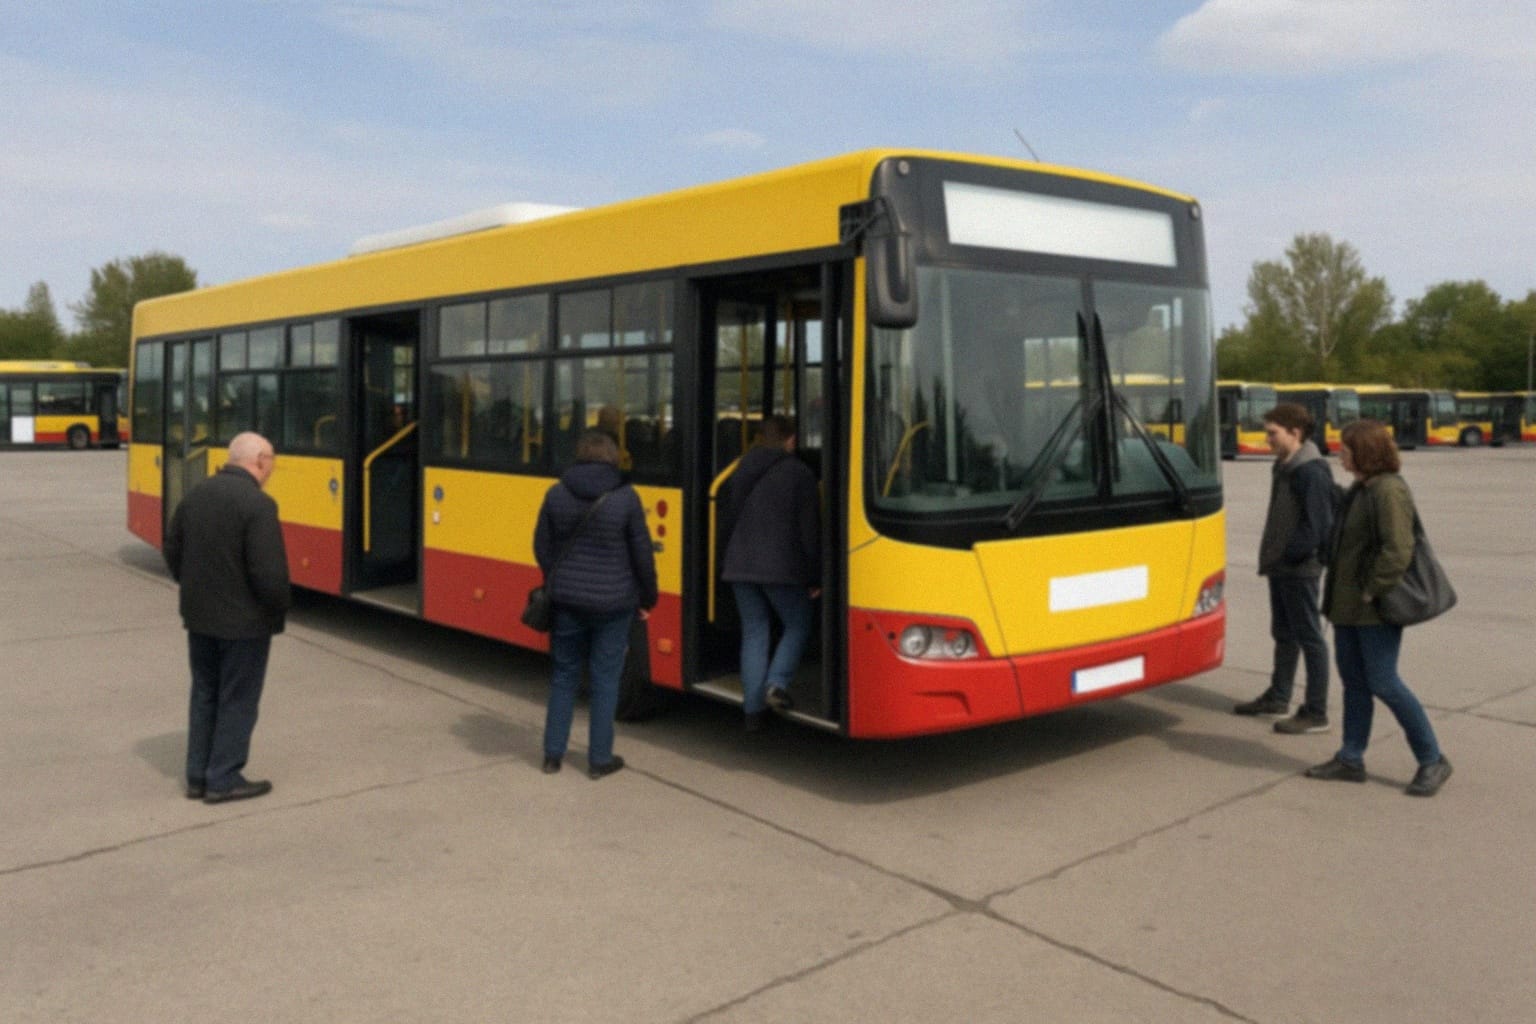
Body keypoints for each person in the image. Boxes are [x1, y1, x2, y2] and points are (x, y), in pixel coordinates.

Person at [1307, 419, 1453, 796]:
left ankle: (1432, 758)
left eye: (1345, 448)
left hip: (1373, 608)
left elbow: (1398, 550)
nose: (1339, 454)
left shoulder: (1388, 491)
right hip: (1347, 608)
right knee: (1355, 684)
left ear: (1365, 452)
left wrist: (1373, 590)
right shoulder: (1362, 488)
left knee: (1385, 683)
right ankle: (1350, 758)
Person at [164, 431, 291, 804]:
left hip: (200, 618)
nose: (271, 470)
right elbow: (269, 574)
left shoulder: (196, 495)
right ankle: (223, 777)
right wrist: (278, 608)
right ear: (260, 461)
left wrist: (192, 587)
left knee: (205, 693)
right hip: (244, 624)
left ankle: (198, 776)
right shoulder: (258, 505)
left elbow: (173, 550)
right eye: (272, 463)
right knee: (238, 698)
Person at [534, 429, 657, 778]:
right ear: (612, 457)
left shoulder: (556, 493)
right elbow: (642, 554)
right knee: (605, 679)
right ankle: (599, 760)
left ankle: (552, 756)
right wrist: (648, 597)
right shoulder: (626, 497)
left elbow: (541, 546)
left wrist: (556, 581)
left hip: (567, 602)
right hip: (614, 604)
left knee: (564, 675)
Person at [1234, 403, 1335, 733]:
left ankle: (1316, 711)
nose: (1267, 439)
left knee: (1310, 637)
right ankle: (1279, 697)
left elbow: (1316, 526)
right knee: (1284, 633)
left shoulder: (1312, 471)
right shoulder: (1285, 466)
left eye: (1272, 433)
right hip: (1282, 567)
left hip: (1299, 569)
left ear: (1295, 432)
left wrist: (1289, 556)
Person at [720, 414, 821, 731]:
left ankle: (752, 712)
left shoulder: (742, 468)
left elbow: (732, 515)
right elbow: (809, 532)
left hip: (739, 563)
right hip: (781, 569)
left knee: (754, 632)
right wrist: (816, 576)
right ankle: (776, 683)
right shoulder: (799, 474)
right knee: (798, 623)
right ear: (791, 440)